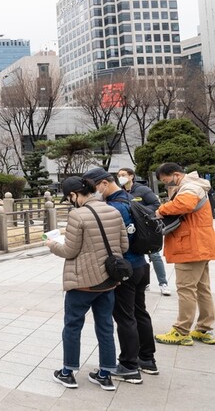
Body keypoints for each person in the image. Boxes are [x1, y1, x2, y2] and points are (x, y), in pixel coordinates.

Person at [47, 176, 128, 392]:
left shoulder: (77, 214)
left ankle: (68, 372)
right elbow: (124, 245)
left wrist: (52, 244)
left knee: (73, 326)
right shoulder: (113, 210)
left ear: (74, 195)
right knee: (105, 327)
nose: (70, 201)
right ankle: (105, 374)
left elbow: (69, 251)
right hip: (109, 280)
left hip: (82, 281)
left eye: (69, 197)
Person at [84, 167, 158, 382]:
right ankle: (147, 359)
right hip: (141, 265)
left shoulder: (115, 207)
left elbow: (117, 242)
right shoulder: (130, 198)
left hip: (125, 268)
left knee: (125, 318)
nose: (92, 192)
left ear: (103, 184)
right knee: (140, 312)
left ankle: (128, 365)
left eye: (92, 188)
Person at [154, 163, 215, 346]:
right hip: (200, 244)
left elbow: (184, 205)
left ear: (175, 175)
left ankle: (182, 331)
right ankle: (203, 328)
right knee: (202, 289)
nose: (166, 185)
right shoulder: (196, 185)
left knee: (186, 289)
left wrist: (161, 210)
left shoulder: (189, 187)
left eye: (166, 181)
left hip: (190, 245)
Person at [118, 167, 169, 296]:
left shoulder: (142, 190)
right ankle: (144, 282)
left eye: (123, 175)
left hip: (145, 228)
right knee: (137, 255)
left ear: (131, 176)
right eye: (118, 175)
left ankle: (163, 283)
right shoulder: (119, 192)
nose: (120, 177)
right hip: (129, 229)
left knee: (154, 255)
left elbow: (156, 205)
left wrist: (139, 211)